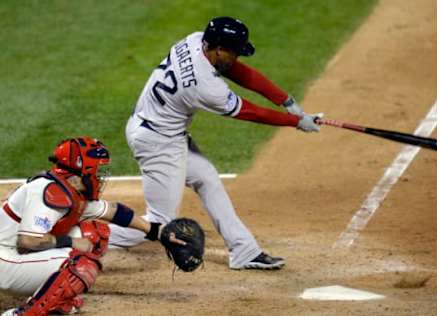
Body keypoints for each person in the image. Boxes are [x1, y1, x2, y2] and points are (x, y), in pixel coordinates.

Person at [108, 16, 322, 270]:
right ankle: (86, 237)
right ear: (219, 49)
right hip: (158, 142)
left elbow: (239, 71)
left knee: (207, 178)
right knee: (160, 221)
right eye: (234, 52)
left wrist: (286, 101)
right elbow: (249, 112)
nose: (237, 58)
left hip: (161, 130)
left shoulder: (195, 40)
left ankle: (244, 250)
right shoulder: (205, 86)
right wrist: (294, 122)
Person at [0, 137, 190, 316]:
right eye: (97, 171)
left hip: (11, 252)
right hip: (4, 261)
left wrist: (155, 231)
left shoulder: (67, 188)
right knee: (80, 263)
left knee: (95, 234)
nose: (99, 177)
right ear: (82, 171)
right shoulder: (52, 193)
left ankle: (56, 302)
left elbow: (114, 212)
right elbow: (28, 241)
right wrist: (71, 242)